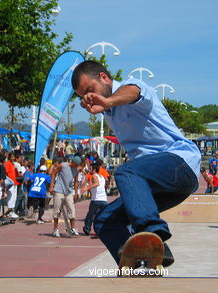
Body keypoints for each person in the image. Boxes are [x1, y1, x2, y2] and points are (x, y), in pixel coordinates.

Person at [72, 61, 200, 266]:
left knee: (126, 172)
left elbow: (133, 92)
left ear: (104, 77)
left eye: (90, 90)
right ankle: (139, 265)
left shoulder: (132, 87)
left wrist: (108, 101)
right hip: (156, 183)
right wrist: (105, 106)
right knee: (105, 220)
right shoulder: (109, 113)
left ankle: (153, 234)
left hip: (179, 163)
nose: (88, 98)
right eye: (83, 97)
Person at [49, 156, 83, 237]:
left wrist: (76, 193)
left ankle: (73, 228)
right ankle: (55, 229)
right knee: (57, 210)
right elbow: (54, 173)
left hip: (69, 192)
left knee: (71, 209)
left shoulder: (76, 170)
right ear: (73, 162)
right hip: (59, 190)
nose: (77, 166)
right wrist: (51, 186)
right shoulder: (63, 165)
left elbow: (76, 182)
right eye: (76, 164)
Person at [81, 163, 108, 236]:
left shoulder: (94, 176)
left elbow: (97, 183)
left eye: (90, 168)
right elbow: (104, 182)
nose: (89, 170)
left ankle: (87, 229)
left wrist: (87, 188)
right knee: (102, 215)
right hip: (104, 199)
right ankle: (103, 230)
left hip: (96, 199)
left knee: (90, 215)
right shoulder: (102, 176)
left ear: (94, 169)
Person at [4, 153, 19, 219]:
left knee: (14, 197)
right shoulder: (8, 163)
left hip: (14, 182)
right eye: (12, 156)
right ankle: (9, 211)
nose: (13, 158)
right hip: (10, 183)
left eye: (14, 157)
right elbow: (6, 172)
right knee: (10, 196)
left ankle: (12, 210)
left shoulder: (13, 164)